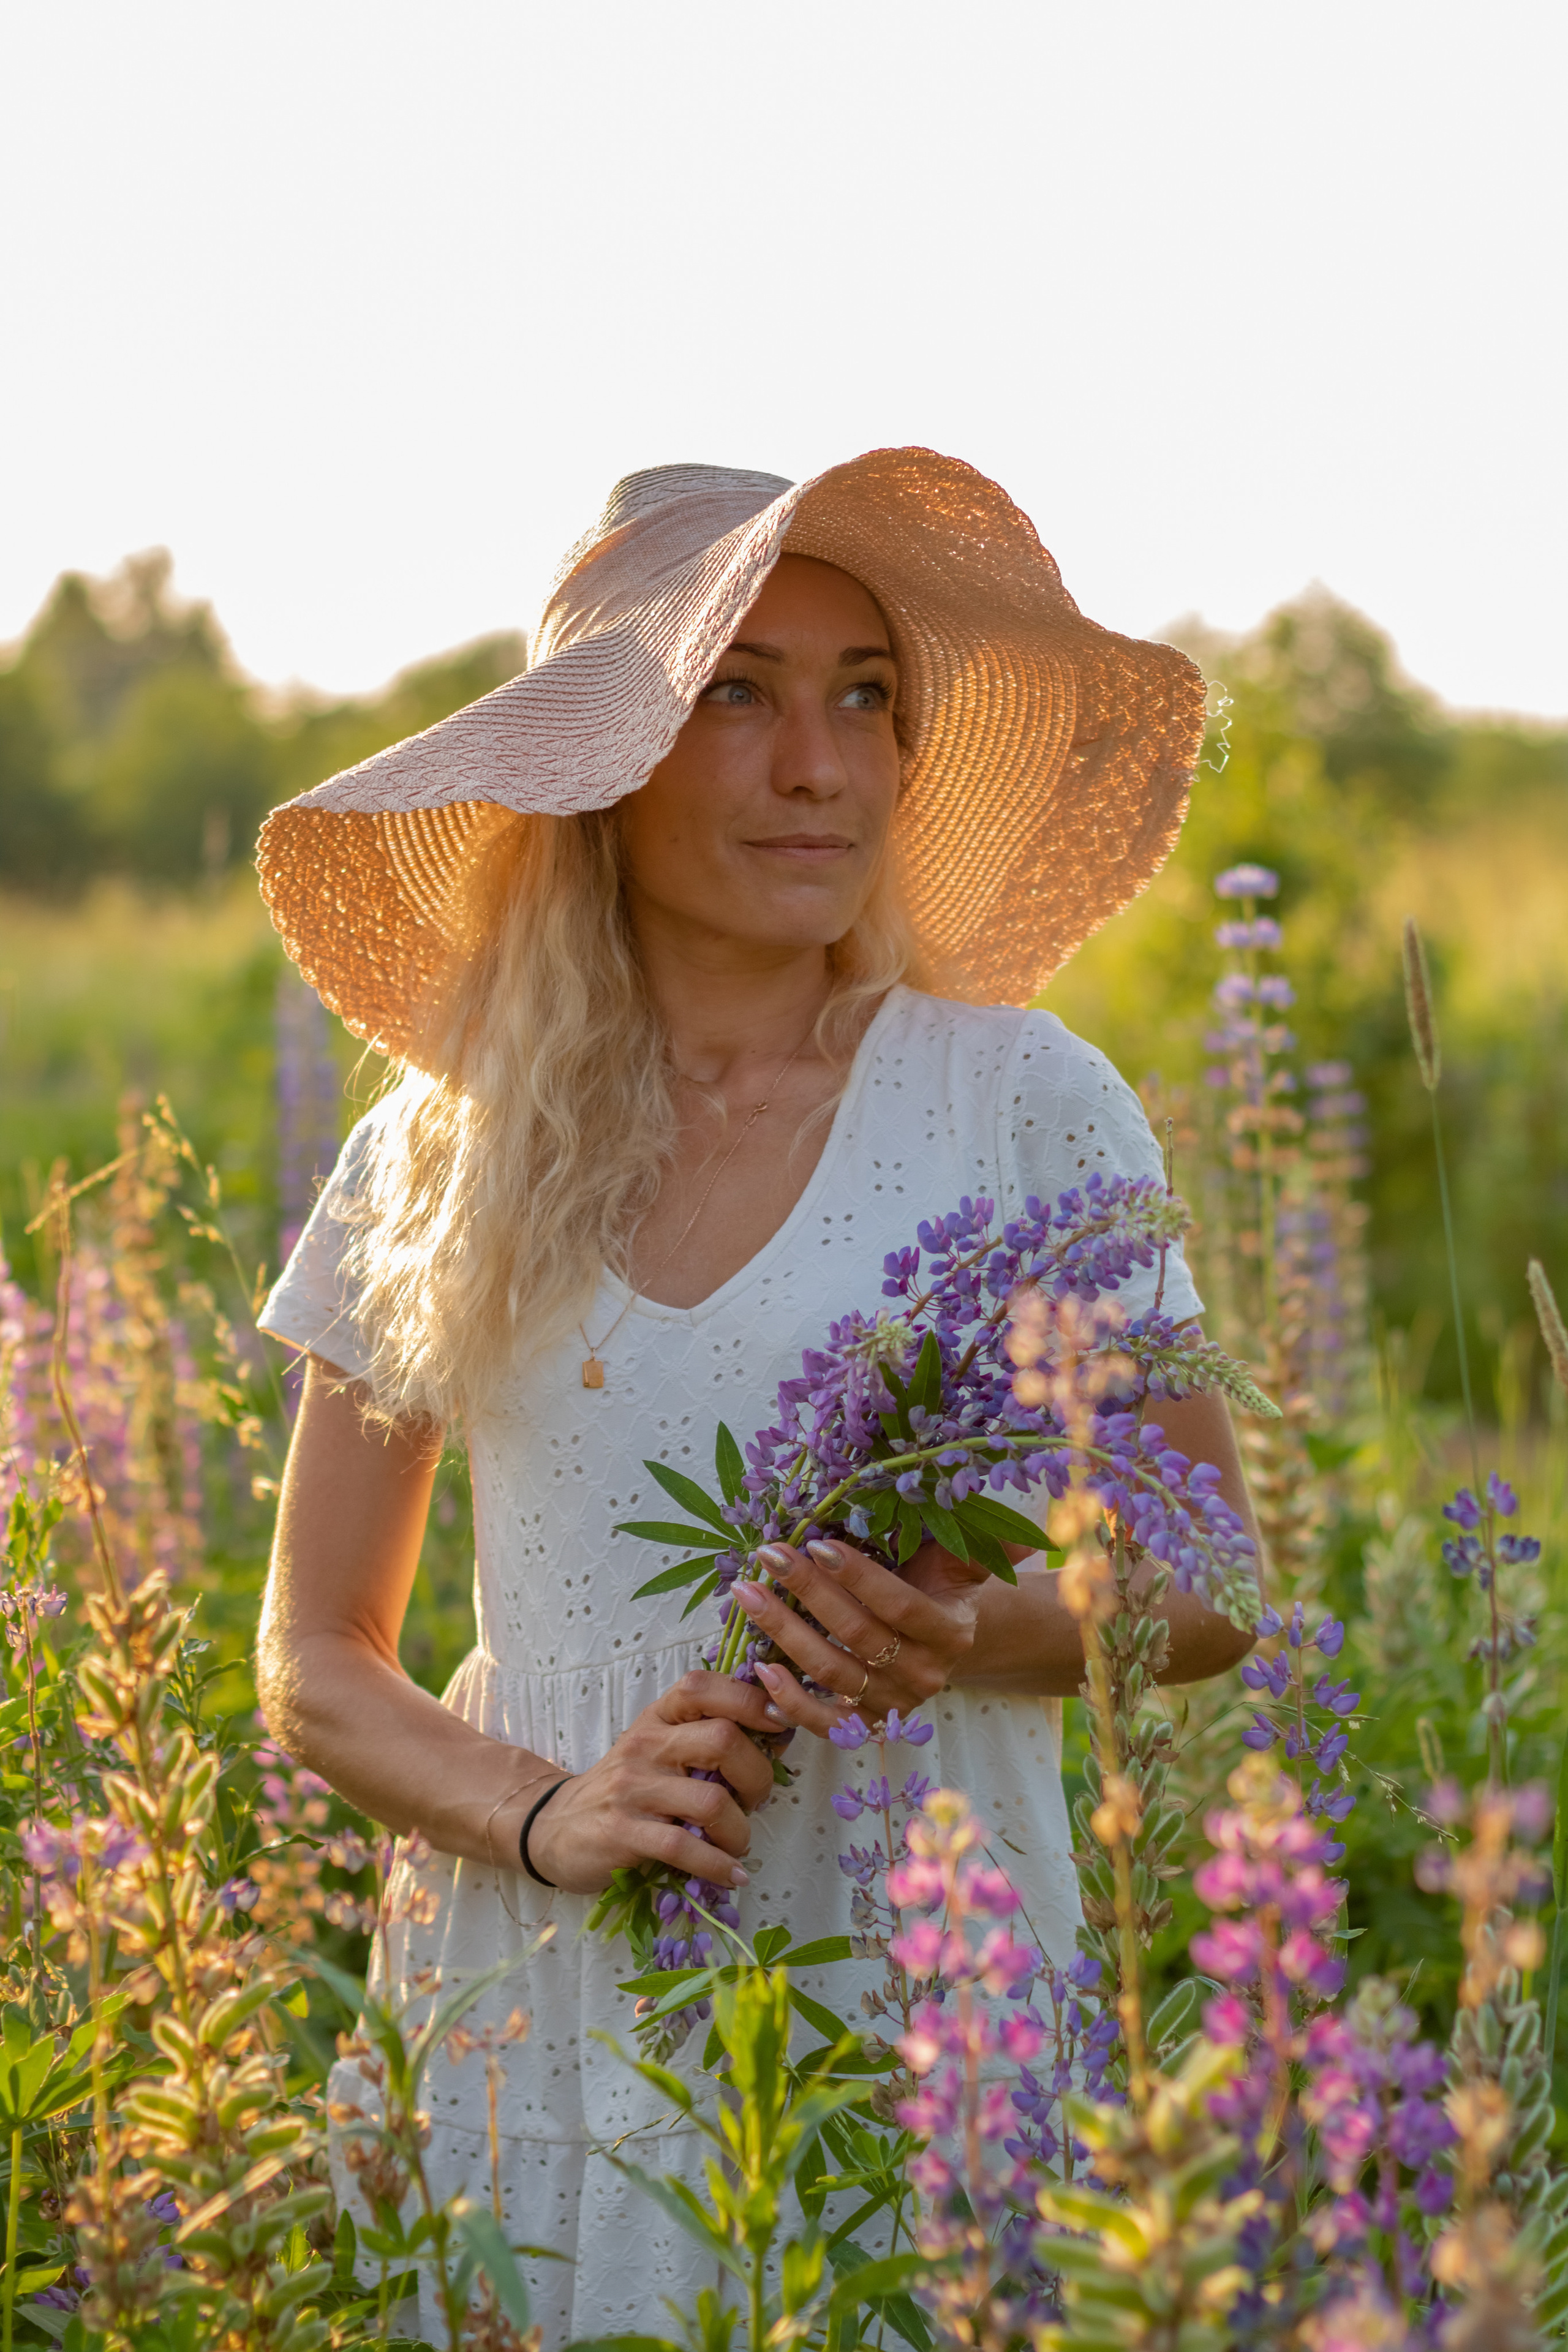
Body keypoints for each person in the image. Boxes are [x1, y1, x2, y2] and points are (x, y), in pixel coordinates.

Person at [254, 449, 1258, 2342]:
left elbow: (1208, 1587)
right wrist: (550, 1813)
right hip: (531, 2007)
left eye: (864, 697)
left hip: (921, 1981)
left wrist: (966, 1632)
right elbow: (315, 1653)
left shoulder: (1019, 1102)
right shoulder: (442, 1150)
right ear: (598, 775)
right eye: (740, 695)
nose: (826, 765)